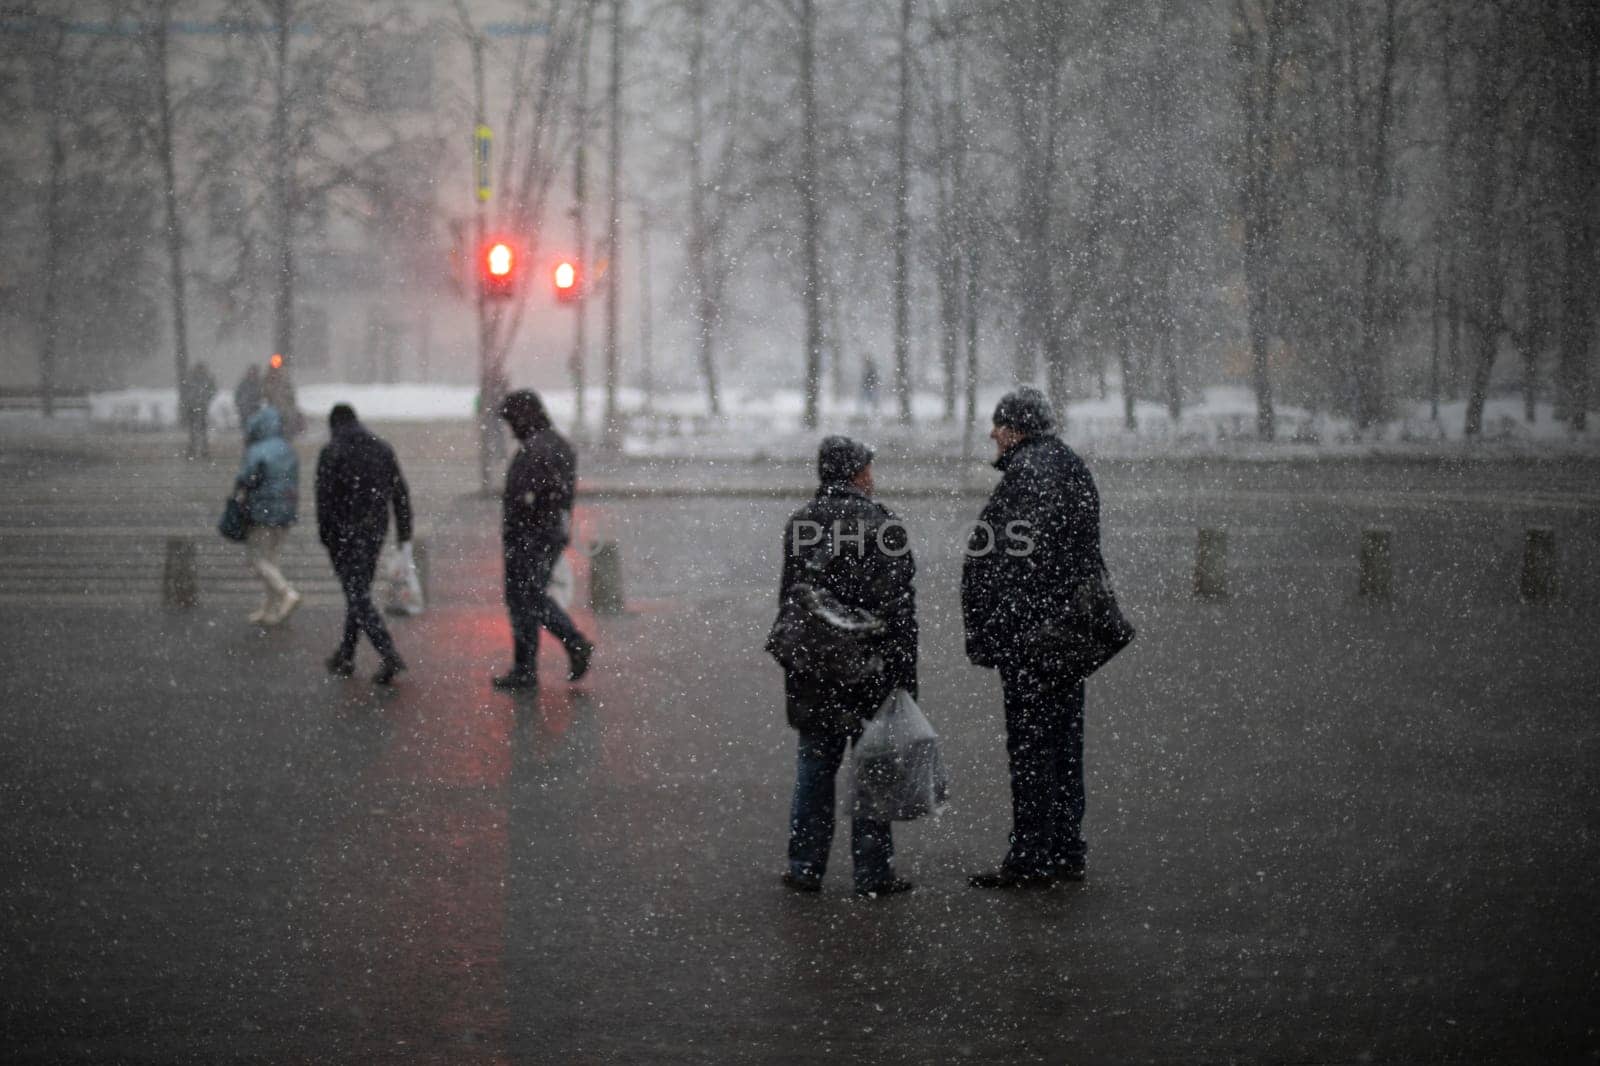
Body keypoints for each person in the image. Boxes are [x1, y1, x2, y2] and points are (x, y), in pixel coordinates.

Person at [961, 387, 1103, 888]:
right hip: (1067, 636)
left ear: (1016, 428)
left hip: (1035, 640)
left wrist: (1007, 628)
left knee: (1032, 749)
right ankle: (1065, 848)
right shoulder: (1069, 466)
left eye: (998, 425)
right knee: (1063, 744)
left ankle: (1031, 858)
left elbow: (1019, 562)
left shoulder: (1029, 475)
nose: (992, 434)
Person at [772, 436, 918, 898]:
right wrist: (904, 676)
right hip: (868, 669)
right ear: (855, 473)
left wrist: (798, 663)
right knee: (872, 770)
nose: (873, 477)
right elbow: (899, 611)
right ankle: (873, 873)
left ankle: (805, 866)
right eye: (868, 469)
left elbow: (790, 605)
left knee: (815, 767)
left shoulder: (802, 523)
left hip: (815, 669)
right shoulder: (882, 525)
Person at [493, 389, 593, 691]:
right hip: (547, 533)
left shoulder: (536, 449)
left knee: (527, 598)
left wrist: (524, 521)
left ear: (525, 416)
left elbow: (532, 496)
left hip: (530, 537)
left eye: (512, 421)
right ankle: (527, 668)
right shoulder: (557, 444)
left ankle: (571, 644)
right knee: (527, 598)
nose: (510, 429)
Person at [315, 404, 412, 686]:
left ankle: (388, 653)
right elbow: (400, 493)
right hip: (374, 531)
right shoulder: (381, 448)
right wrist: (403, 533)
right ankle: (345, 655)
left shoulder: (331, 451)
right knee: (359, 593)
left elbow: (323, 501)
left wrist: (327, 537)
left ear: (334, 424)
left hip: (344, 533)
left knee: (357, 595)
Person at [235, 404, 301, 626]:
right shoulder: (286, 448)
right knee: (272, 560)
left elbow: (246, 478)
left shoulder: (257, 451)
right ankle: (269, 610)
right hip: (285, 513)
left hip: (263, 512)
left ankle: (286, 593)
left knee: (257, 560)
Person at [180, 362, 217, 460]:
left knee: (202, 431)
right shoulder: (192, 379)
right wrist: (190, 400)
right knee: (193, 431)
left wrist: (206, 399)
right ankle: (193, 450)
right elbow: (184, 391)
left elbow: (213, 390)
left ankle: (203, 450)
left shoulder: (206, 380)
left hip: (202, 407)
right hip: (192, 408)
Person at [262, 359, 305, 438]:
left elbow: (289, 390)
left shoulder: (282, 376)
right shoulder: (269, 377)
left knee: (287, 420)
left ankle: (287, 434)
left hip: (284, 405)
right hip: (276, 405)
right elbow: (266, 392)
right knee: (279, 421)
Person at [234, 365, 263, 432]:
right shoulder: (243, 384)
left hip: (256, 412)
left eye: (254, 373)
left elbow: (262, 397)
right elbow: (237, 396)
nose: (253, 374)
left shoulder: (259, 384)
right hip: (245, 412)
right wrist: (240, 406)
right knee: (246, 431)